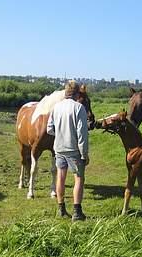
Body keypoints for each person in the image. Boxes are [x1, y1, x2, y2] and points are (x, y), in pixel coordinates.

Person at [47, 80, 89, 221]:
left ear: (66, 92)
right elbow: (82, 133)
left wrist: (61, 133)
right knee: (78, 178)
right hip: (74, 150)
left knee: (60, 177)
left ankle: (61, 209)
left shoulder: (56, 107)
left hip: (59, 148)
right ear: (77, 93)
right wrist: (84, 154)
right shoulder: (79, 108)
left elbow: (49, 129)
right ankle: (77, 212)